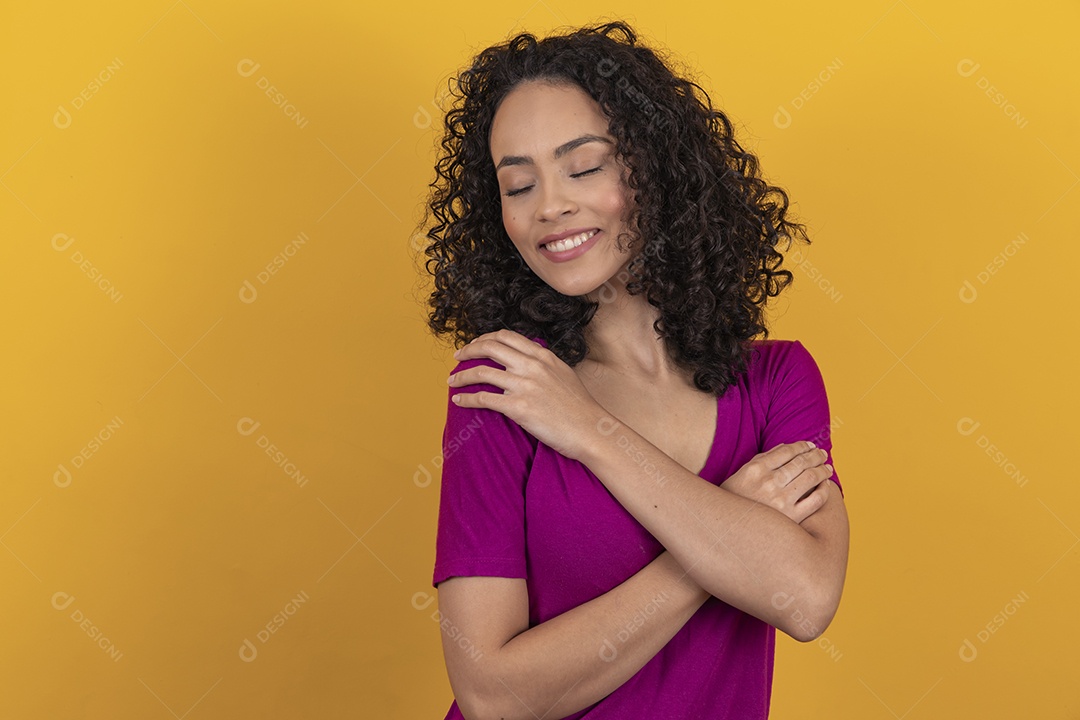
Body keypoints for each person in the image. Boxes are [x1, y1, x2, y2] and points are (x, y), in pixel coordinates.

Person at [414, 19, 849, 720]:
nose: (550, 206)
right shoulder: (506, 387)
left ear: (654, 167)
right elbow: (493, 695)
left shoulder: (778, 382)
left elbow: (802, 598)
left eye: (583, 167)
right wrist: (719, 549)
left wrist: (587, 429)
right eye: (517, 185)